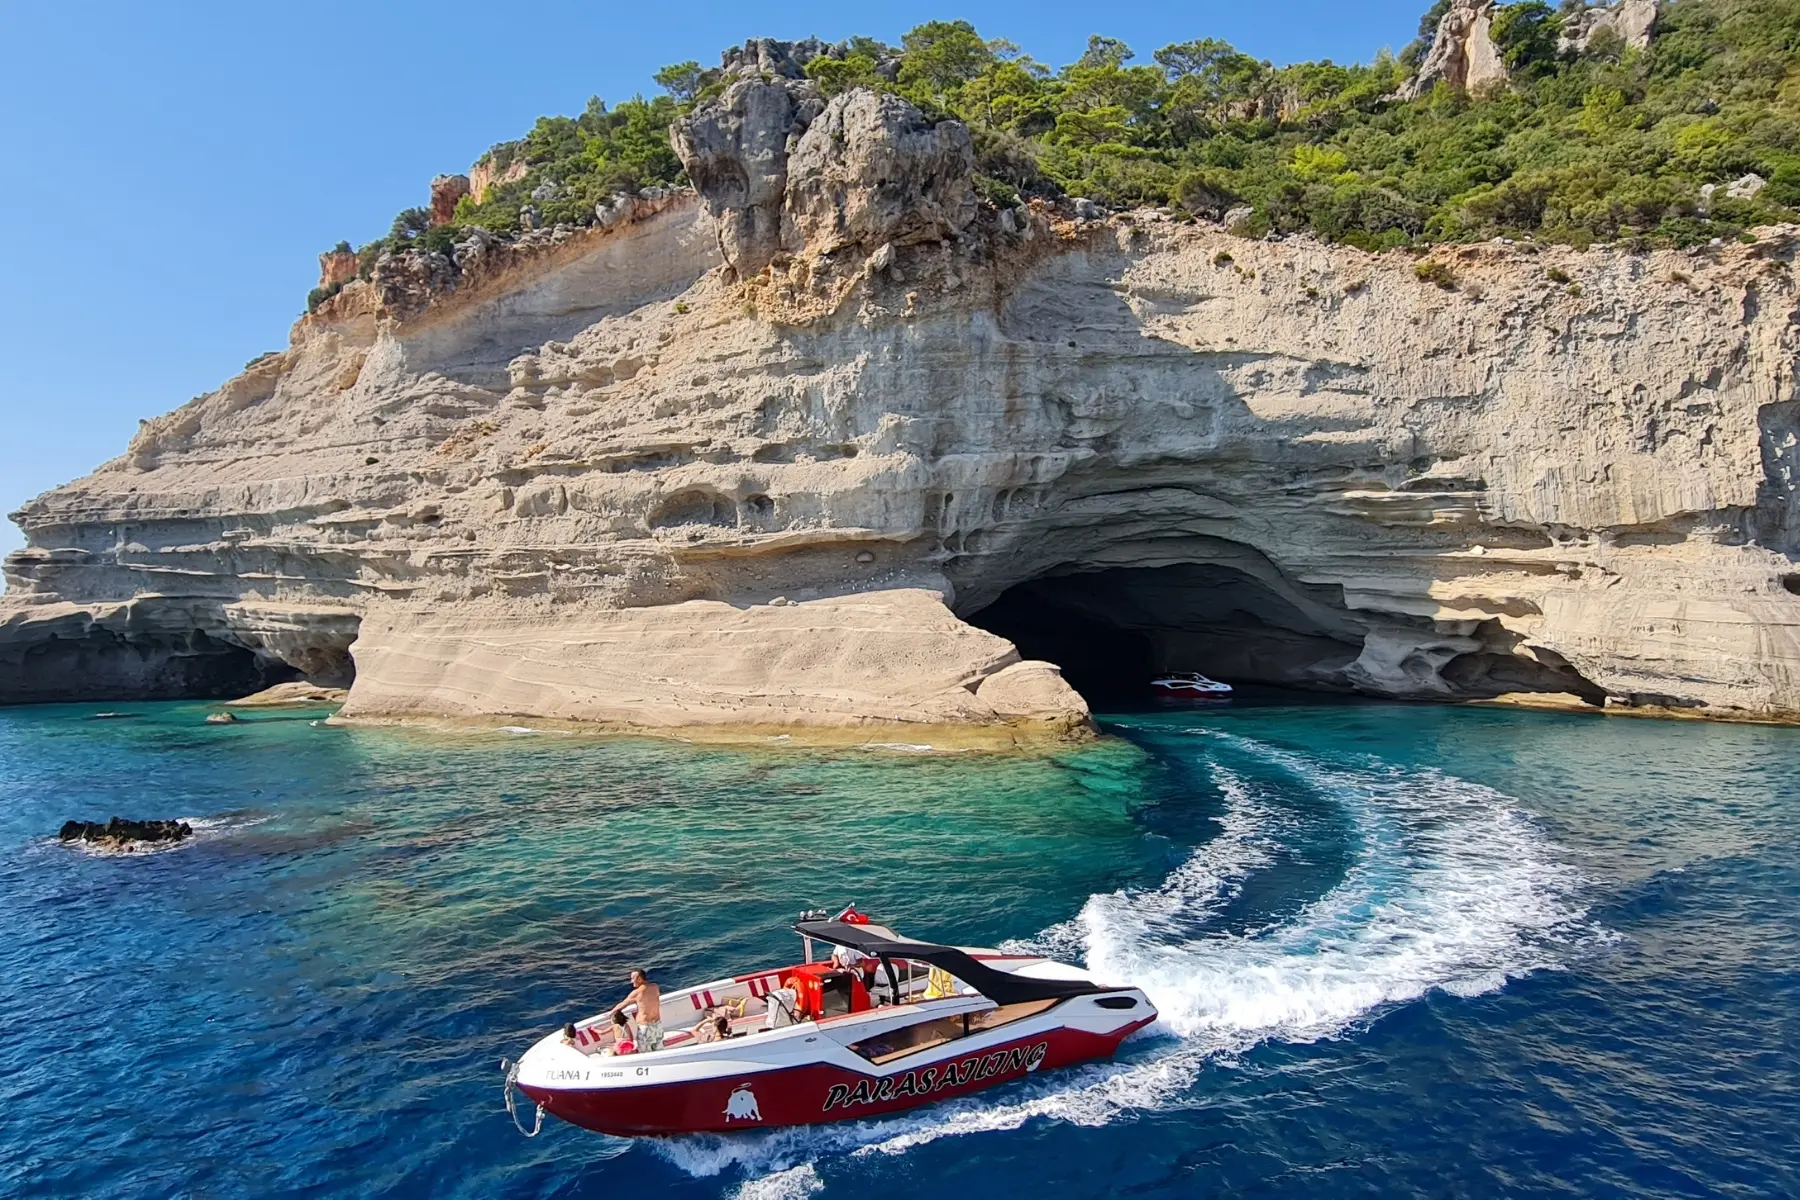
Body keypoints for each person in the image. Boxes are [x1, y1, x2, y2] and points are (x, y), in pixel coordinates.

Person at [610, 967, 663, 1052]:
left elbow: (622, 1004)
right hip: (657, 1025)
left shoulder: (637, 992)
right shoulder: (655, 986)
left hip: (645, 1026)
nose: (631, 981)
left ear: (639, 978)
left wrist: (611, 1012)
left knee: (644, 1052)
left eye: (632, 978)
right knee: (659, 1050)